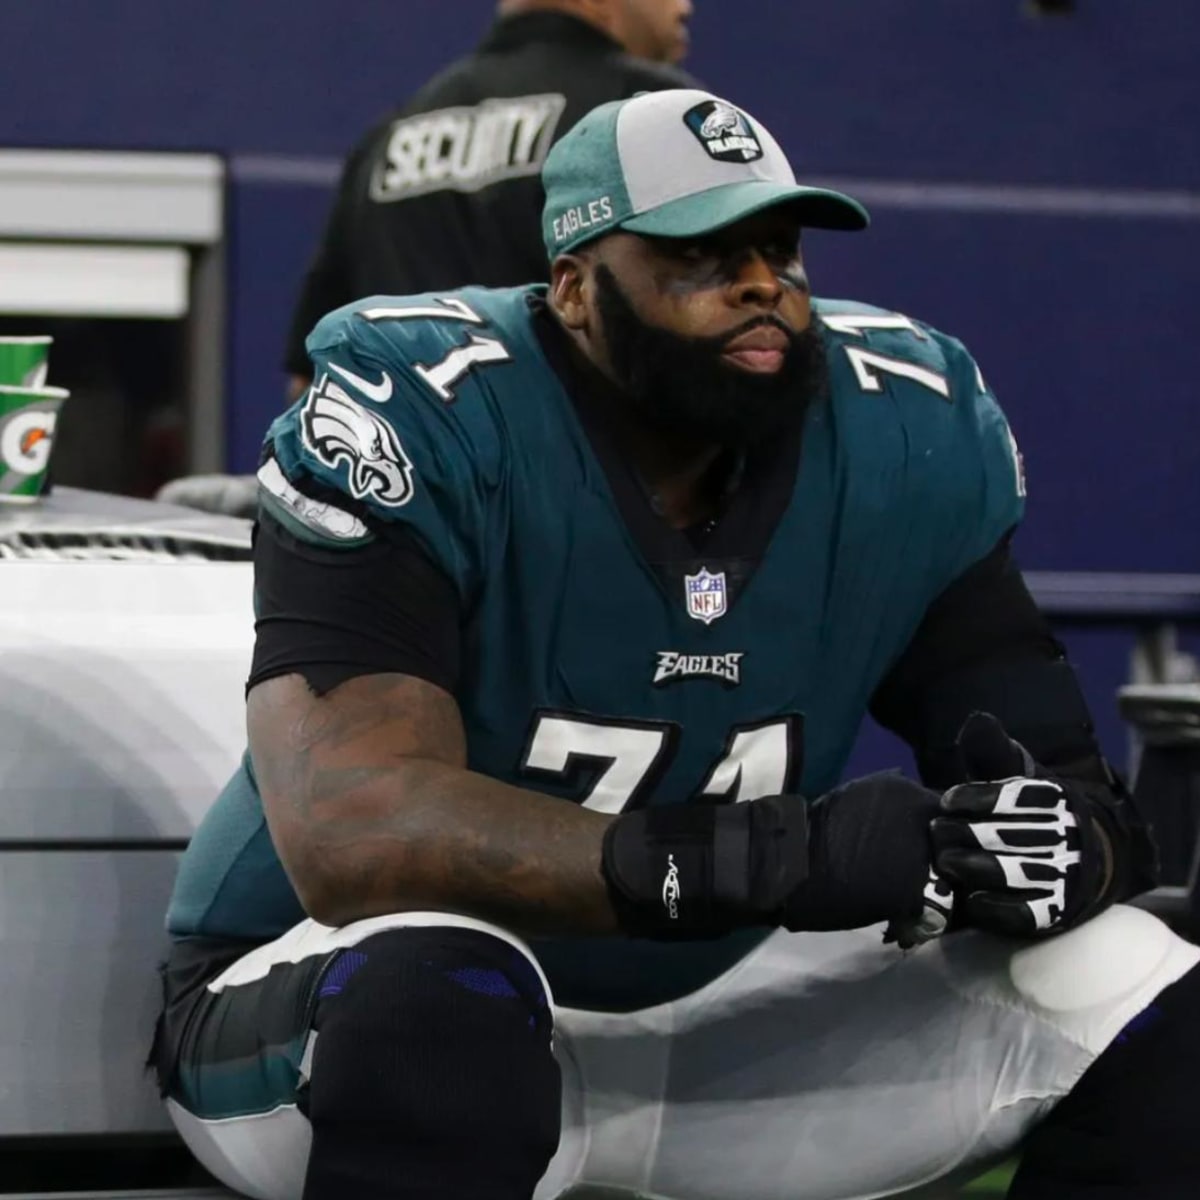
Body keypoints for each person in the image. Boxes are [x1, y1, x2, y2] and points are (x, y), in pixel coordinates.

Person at [153, 89, 1200, 1200]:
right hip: (334, 1011)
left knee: (1145, 980)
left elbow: (1070, 786)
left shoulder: (908, 428)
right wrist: (775, 855)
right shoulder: (429, 405)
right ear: (572, 290)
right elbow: (356, 834)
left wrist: (1051, 851)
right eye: (699, 253)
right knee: (438, 990)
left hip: (714, 1017)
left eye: (778, 248)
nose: (762, 283)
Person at [282, 0, 698, 402]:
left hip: (412, 465)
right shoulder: (646, 109)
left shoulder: (389, 136)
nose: (685, 6)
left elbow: (311, 382)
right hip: (580, 465)